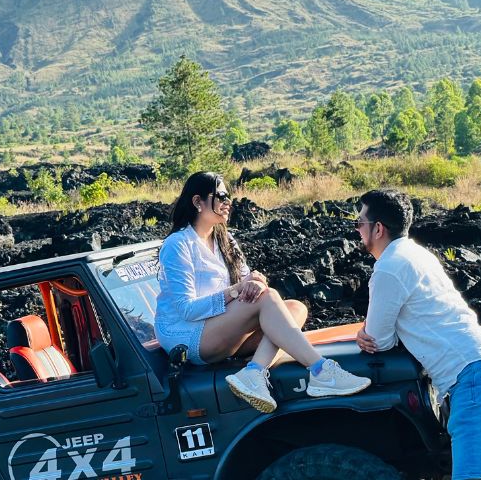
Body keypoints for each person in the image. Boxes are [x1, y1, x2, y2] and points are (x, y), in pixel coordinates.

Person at [155, 171, 371, 413]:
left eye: (230, 196)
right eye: (222, 195)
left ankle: (255, 371)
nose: (229, 202)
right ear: (197, 202)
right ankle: (321, 370)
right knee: (266, 298)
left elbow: (246, 279)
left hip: (219, 325)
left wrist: (255, 280)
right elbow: (187, 309)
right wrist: (237, 290)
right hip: (188, 336)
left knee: (296, 308)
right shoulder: (177, 245)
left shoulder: (224, 239)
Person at [354, 189, 481, 480]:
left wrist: (362, 332)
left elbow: (378, 341)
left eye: (359, 223)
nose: (357, 230)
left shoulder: (388, 268)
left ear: (378, 228)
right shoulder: (417, 253)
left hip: (474, 380)